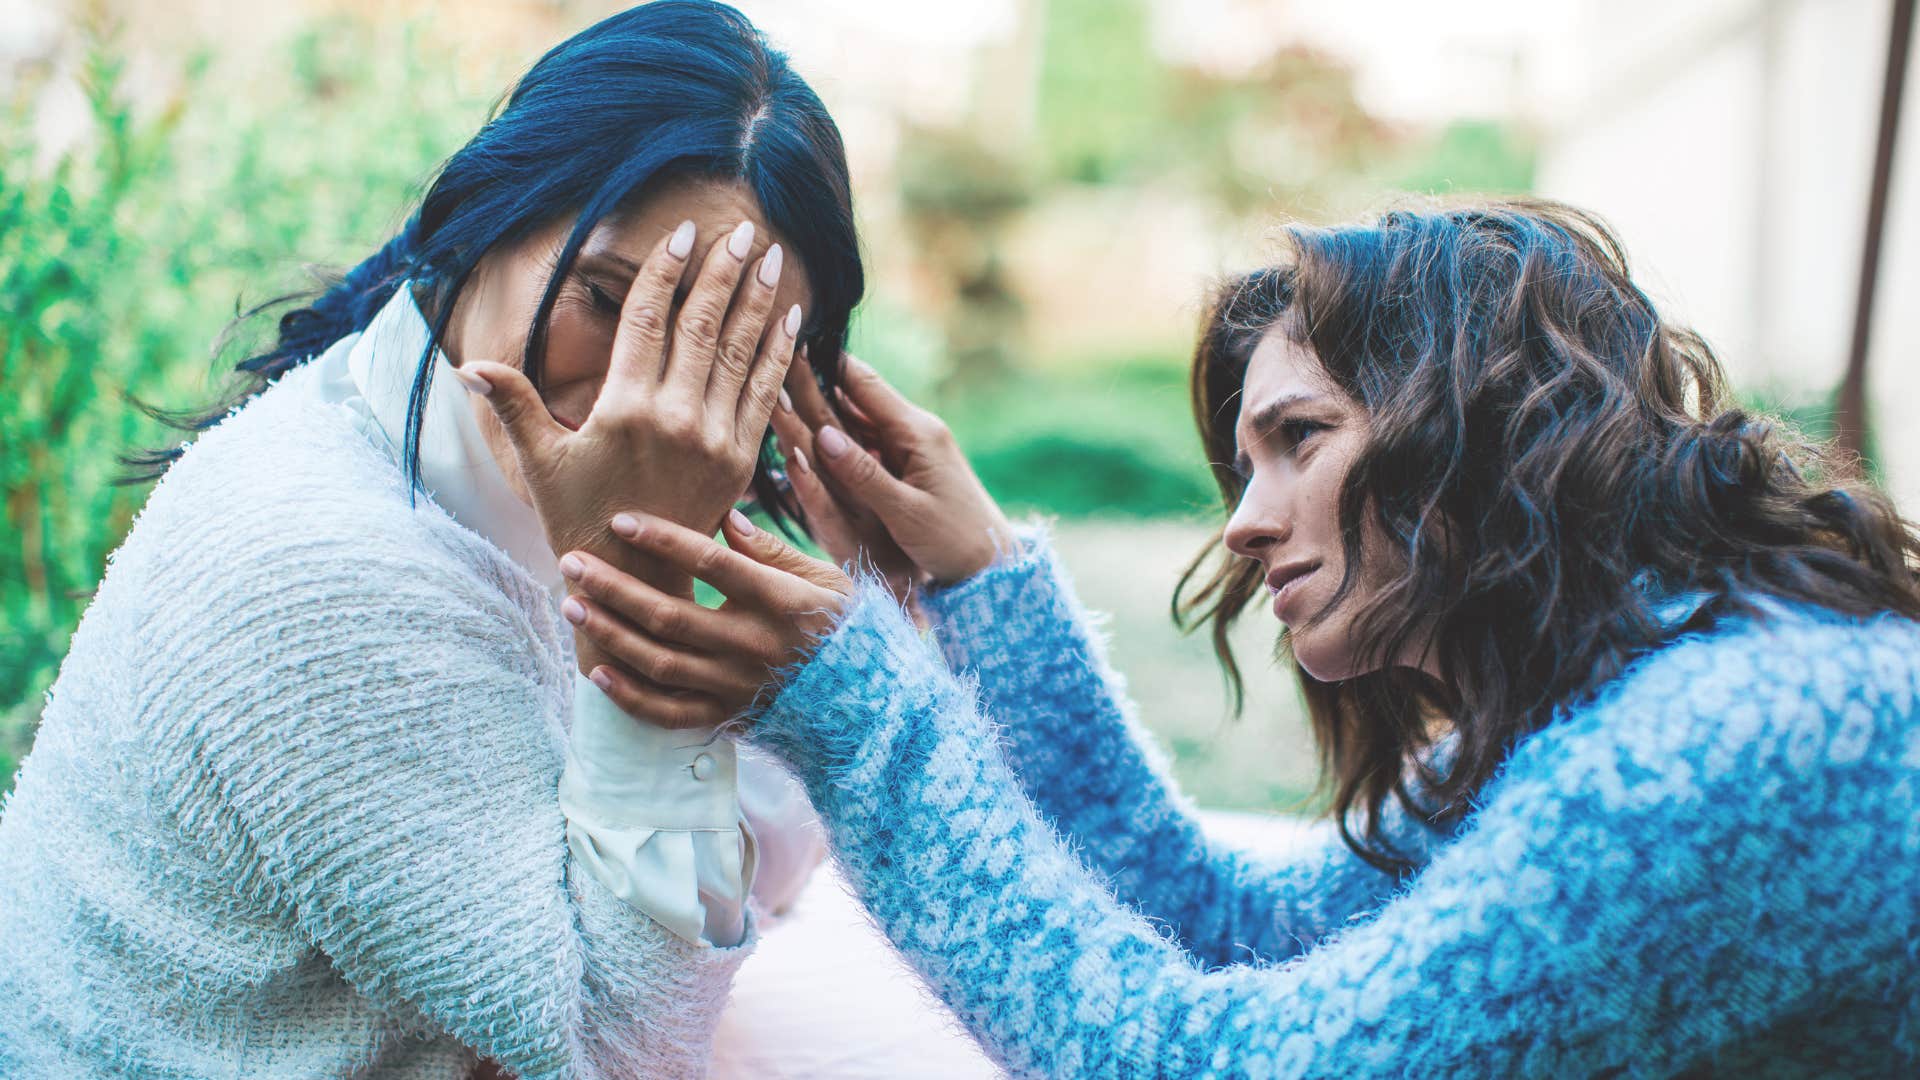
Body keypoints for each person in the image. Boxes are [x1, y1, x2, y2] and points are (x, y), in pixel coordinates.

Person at [561, 200, 1920, 1076]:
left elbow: (1235, 1067)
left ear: (1486, 427)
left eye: (1300, 442)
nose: (1247, 525)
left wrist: (869, 722)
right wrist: (982, 588)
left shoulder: (1719, 740)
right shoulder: (1636, 675)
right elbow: (1238, 930)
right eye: (1241, 464)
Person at [0, 3, 857, 1077]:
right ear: (492, 212)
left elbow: (756, 860)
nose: (651, 406)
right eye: (608, 299)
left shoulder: (484, 464)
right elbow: (620, 1054)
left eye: (720, 349)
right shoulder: (328, 574)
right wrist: (646, 620)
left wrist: (867, 593)